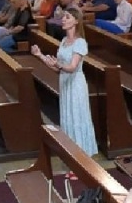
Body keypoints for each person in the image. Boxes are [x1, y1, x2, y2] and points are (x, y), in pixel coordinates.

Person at [32, 8, 98, 155]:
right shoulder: (63, 41)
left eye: (67, 17)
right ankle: (71, 154)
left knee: (77, 118)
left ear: (76, 21)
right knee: (68, 118)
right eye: (63, 17)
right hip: (65, 83)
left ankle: (82, 156)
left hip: (75, 84)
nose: (63, 19)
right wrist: (40, 56)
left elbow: (72, 67)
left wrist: (59, 65)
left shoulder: (80, 42)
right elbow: (58, 68)